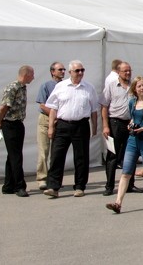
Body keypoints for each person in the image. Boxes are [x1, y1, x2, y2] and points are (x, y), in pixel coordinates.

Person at [105, 76, 143, 213]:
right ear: (135, 89)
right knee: (126, 172)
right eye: (139, 86)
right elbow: (132, 117)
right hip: (132, 140)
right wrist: (131, 124)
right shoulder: (132, 102)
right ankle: (118, 202)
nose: (142, 88)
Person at [44, 60, 100, 198]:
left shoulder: (89, 88)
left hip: (81, 125)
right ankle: (53, 187)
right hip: (63, 124)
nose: (80, 73)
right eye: (77, 71)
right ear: (70, 72)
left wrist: (94, 127)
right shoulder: (61, 86)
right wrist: (51, 127)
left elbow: (94, 110)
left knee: (81, 157)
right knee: (57, 156)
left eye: (82, 70)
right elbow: (53, 108)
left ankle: (80, 186)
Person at [100, 61, 141, 196]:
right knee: (112, 155)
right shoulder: (111, 86)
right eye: (125, 71)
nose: (128, 73)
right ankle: (109, 186)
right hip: (115, 123)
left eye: (129, 70)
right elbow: (104, 106)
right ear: (118, 72)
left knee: (131, 154)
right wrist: (105, 126)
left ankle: (130, 184)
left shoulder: (134, 87)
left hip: (130, 123)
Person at [0, 65, 34, 197]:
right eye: (32, 74)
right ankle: (19, 186)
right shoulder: (12, 87)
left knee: (12, 155)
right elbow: (3, 108)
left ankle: (8, 185)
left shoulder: (23, 87)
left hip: (18, 124)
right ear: (26, 74)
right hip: (10, 124)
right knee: (16, 156)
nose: (33, 77)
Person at [35, 62, 65, 191]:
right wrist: (55, 115)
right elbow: (42, 105)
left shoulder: (66, 86)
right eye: (60, 69)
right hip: (46, 120)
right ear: (52, 71)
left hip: (60, 122)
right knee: (44, 150)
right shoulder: (46, 86)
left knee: (56, 153)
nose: (63, 71)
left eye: (63, 69)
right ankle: (42, 178)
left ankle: (53, 179)